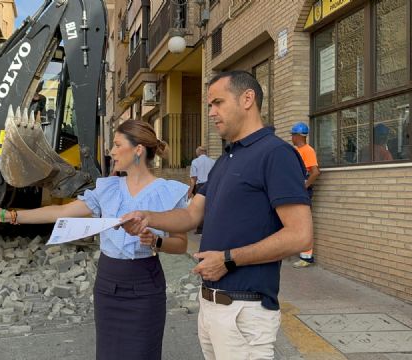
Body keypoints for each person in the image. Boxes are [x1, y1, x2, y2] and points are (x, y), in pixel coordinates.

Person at [121, 71, 313, 360]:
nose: (211, 112)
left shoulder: (276, 154)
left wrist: (227, 259)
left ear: (247, 99)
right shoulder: (225, 160)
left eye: (218, 103)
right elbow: (190, 216)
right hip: (211, 308)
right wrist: (146, 216)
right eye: (210, 105)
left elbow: (300, 235)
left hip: (244, 311)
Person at [0, 120, 189, 360]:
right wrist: (12, 216)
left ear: (138, 150)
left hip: (145, 286)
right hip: (107, 284)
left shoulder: (168, 192)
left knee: (143, 353)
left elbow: (181, 244)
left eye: (117, 144)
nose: (111, 151)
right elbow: (61, 212)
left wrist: (155, 241)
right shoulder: (107, 188)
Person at [290, 122, 320, 268]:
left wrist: (304, 187)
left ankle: (307, 257)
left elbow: (315, 172)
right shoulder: (298, 150)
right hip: (296, 191)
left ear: (297, 136)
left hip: (303, 192)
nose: (291, 138)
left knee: (304, 222)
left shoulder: (308, 151)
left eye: (292, 135)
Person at [188, 146, 215, 234]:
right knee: (209, 207)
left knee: (199, 208)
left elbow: (194, 178)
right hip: (211, 185)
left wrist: (190, 191)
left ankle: (200, 229)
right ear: (205, 152)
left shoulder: (195, 162)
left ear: (198, 152)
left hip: (200, 186)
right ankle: (210, 227)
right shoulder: (212, 162)